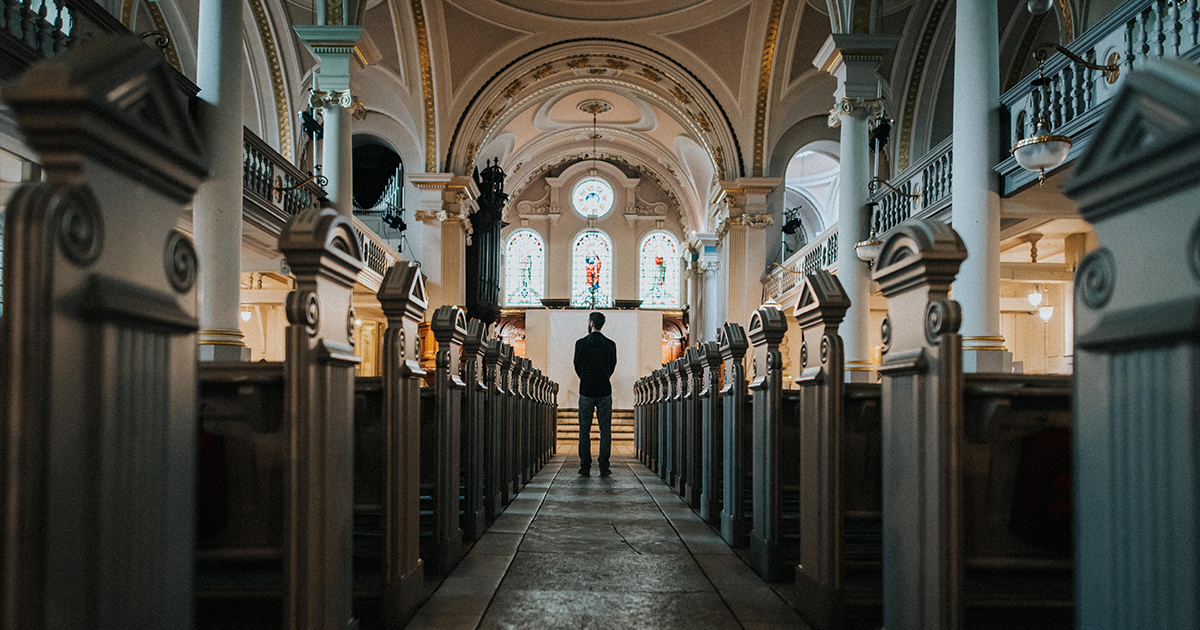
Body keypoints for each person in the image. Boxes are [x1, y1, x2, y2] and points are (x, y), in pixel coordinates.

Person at [574, 311, 618, 476]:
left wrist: (586, 378)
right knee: (605, 429)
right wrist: (603, 377)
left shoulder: (581, 343)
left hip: (586, 389)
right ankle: (604, 465)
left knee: (584, 429)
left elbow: (577, 365)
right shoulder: (610, 344)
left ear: (591, 323)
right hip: (604, 389)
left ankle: (585, 465)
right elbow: (611, 365)